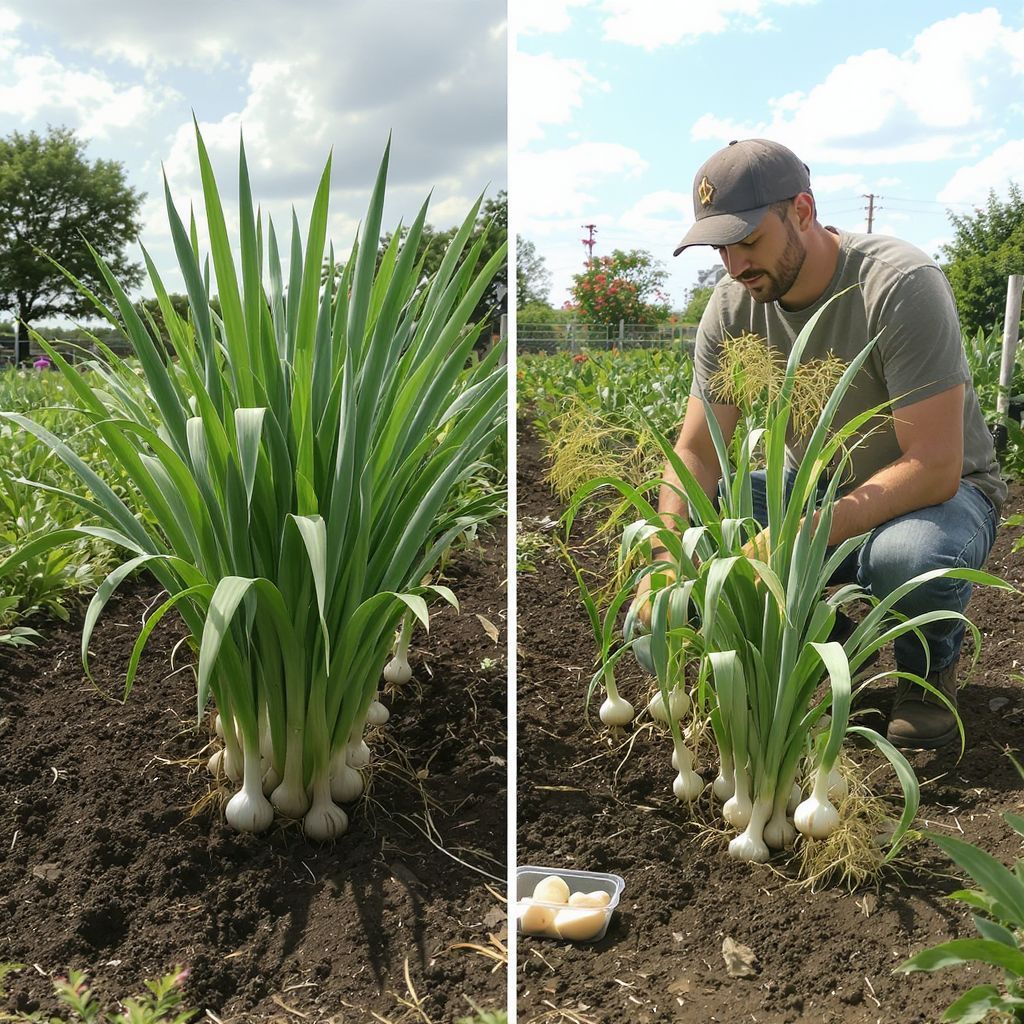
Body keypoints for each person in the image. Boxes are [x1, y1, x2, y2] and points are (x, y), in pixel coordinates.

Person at [636, 138, 1005, 750]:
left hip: (939, 497)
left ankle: (926, 672)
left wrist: (792, 540)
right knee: (704, 539)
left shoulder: (898, 283)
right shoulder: (732, 307)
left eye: (748, 241)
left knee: (904, 558)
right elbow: (697, 452)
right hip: (816, 491)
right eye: (721, 246)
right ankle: (822, 635)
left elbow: (933, 466)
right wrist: (665, 559)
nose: (734, 265)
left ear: (801, 212)